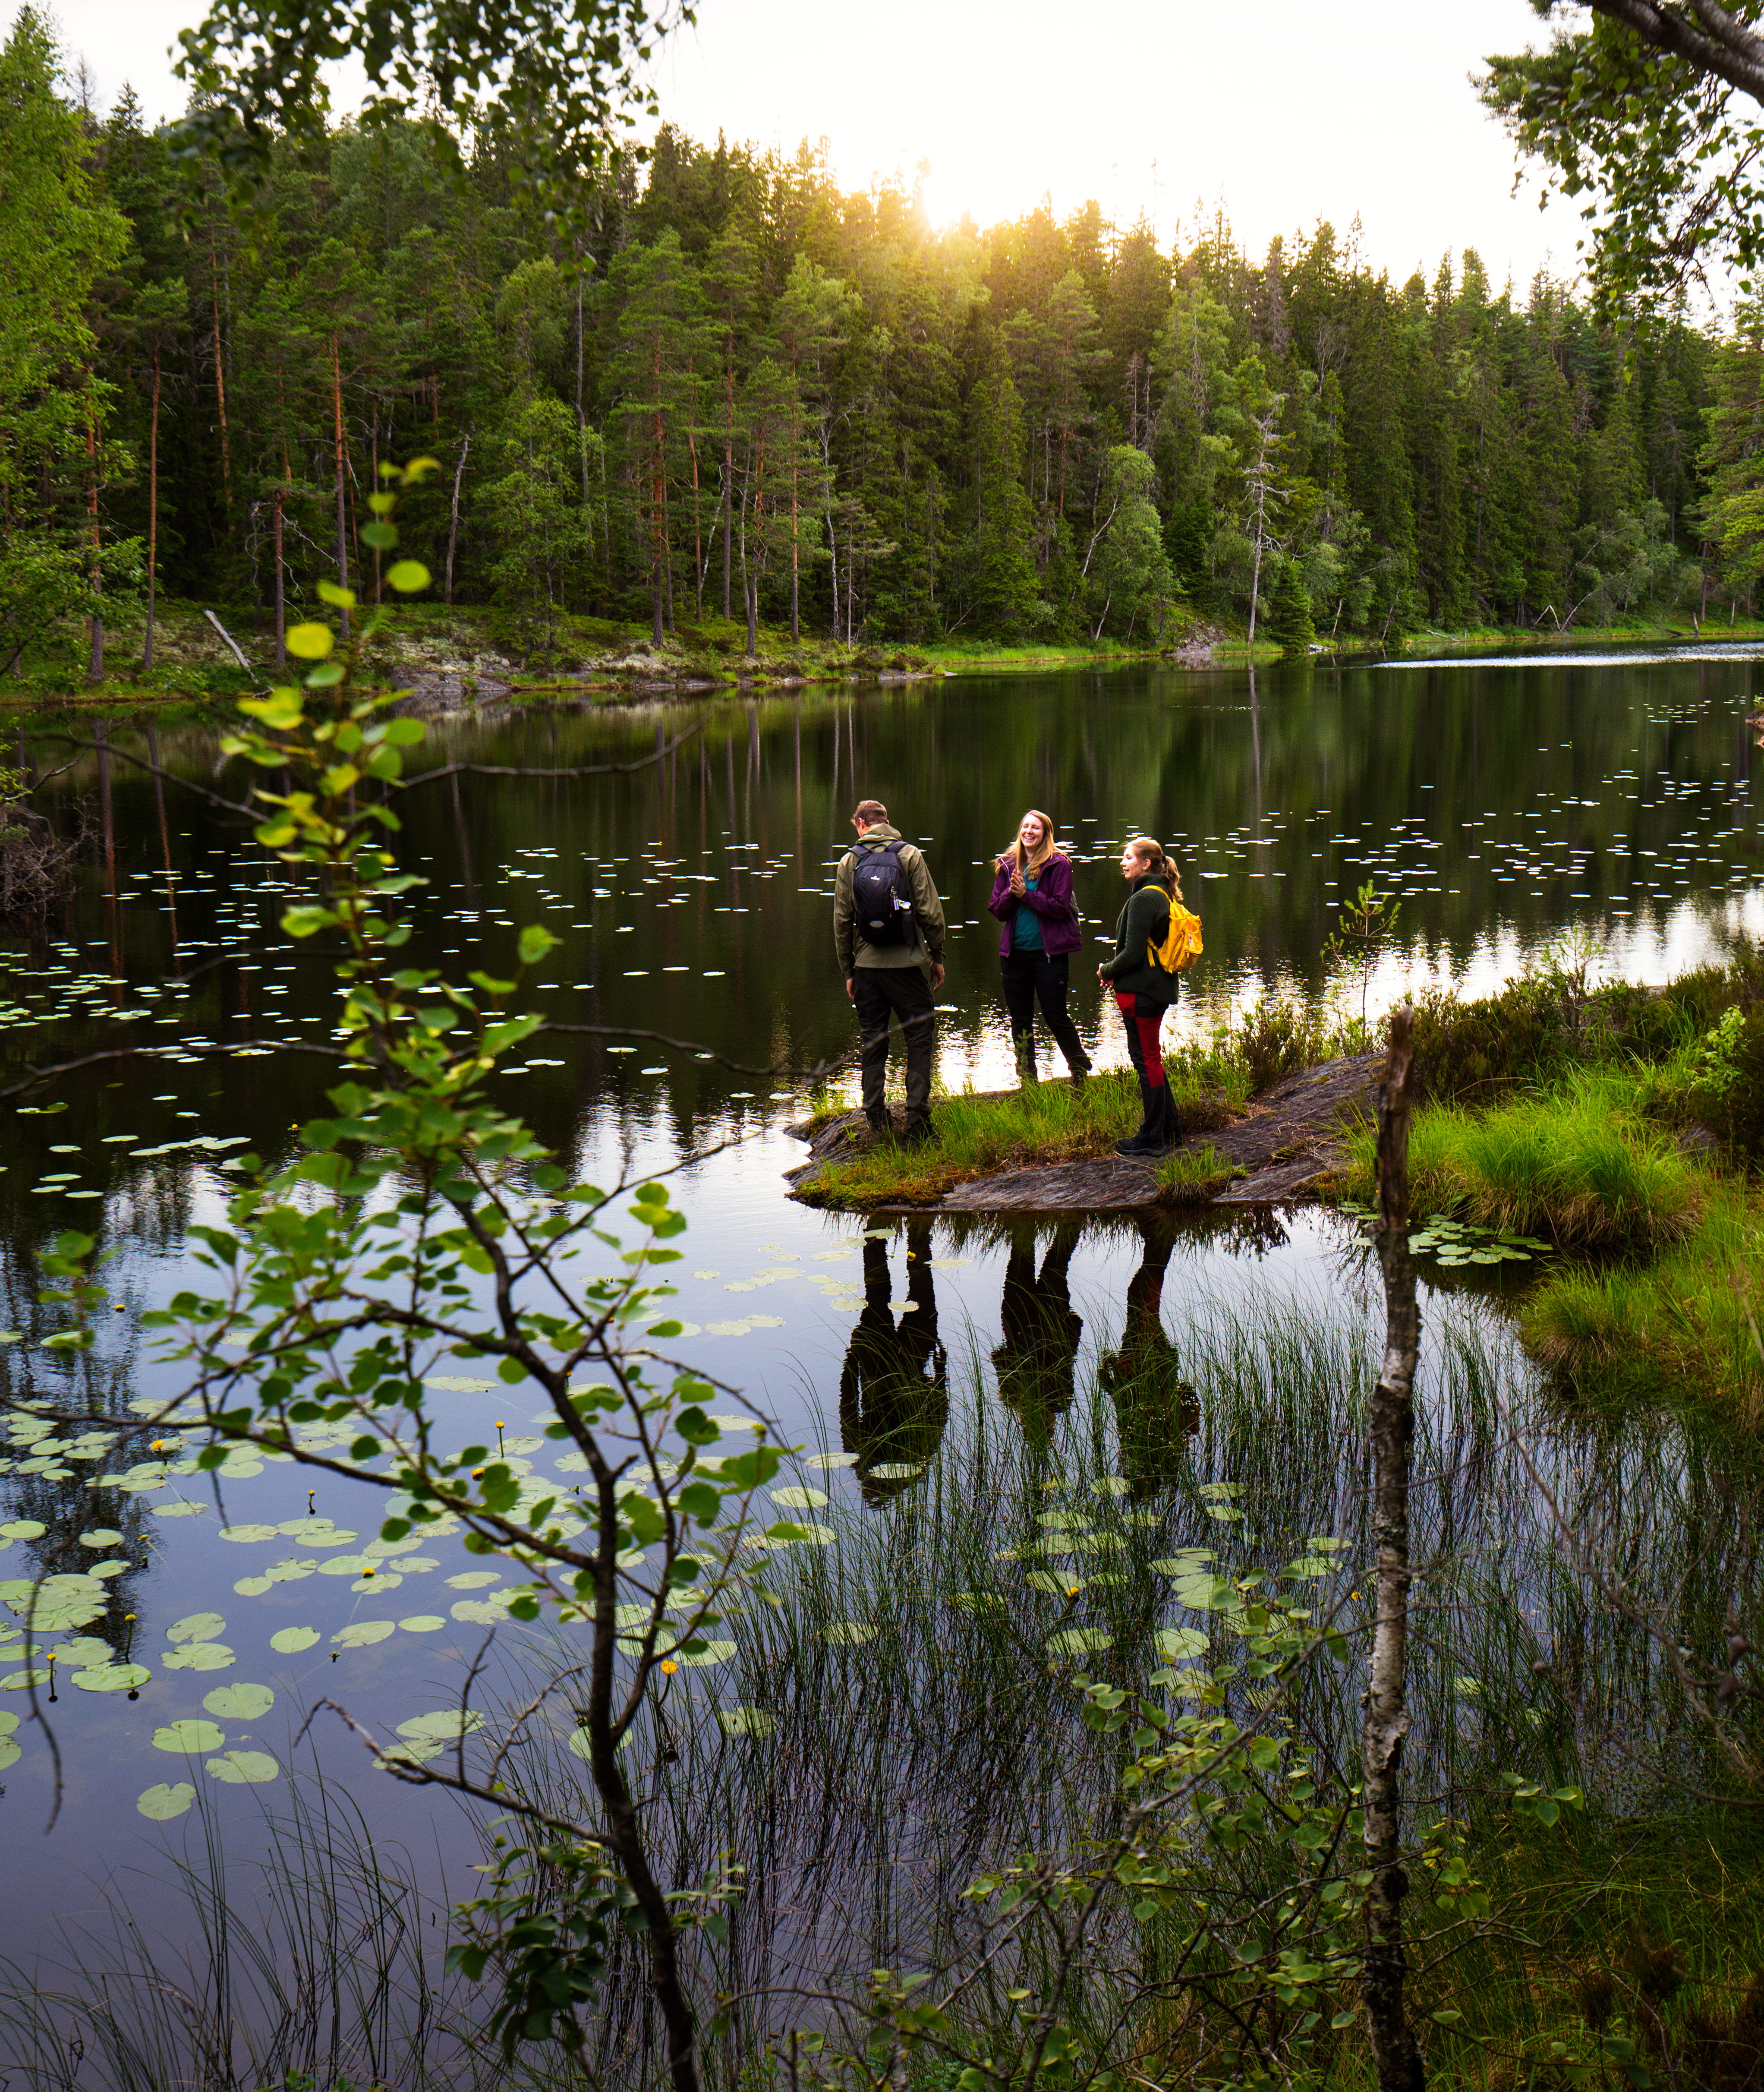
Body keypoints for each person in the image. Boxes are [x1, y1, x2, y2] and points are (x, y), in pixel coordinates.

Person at [834, 797, 946, 1145]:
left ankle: (875, 1116)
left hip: (867, 968)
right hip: (907, 966)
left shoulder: (850, 861)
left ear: (860, 824)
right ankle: (918, 1120)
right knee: (919, 1036)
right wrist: (937, 955)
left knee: (873, 1038)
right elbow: (930, 911)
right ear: (887, 821)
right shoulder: (909, 854)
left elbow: (842, 921)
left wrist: (849, 970)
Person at [838, 1217, 948, 1504]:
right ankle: (903, 1233)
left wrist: (852, 1361)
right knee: (892, 1297)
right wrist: (852, 1360)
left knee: (902, 1296)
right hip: (893, 1365)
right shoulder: (909, 1461)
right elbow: (848, 1408)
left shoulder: (908, 1462)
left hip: (887, 1366)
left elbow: (849, 1408)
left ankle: (906, 1233)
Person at [987, 808, 1091, 1086]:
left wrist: (1026, 895)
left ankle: (1079, 1069)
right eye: (1025, 827)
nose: (1029, 832)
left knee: (1055, 1015)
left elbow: (1059, 908)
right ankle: (1028, 1079)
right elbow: (997, 910)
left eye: (1036, 828)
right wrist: (1012, 893)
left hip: (1050, 955)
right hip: (1014, 955)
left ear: (1046, 834)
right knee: (1020, 1019)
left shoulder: (1059, 865)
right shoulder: (1007, 865)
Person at [1096, 835, 1185, 1155]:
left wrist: (1107, 970)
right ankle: (1171, 1131)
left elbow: (1133, 953)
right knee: (1151, 1060)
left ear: (1146, 864)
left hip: (1143, 993)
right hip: (1153, 990)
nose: (1123, 862)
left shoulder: (1144, 899)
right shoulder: (1162, 893)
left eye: (1129, 857)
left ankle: (1152, 1138)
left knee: (1146, 1062)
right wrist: (1117, 973)